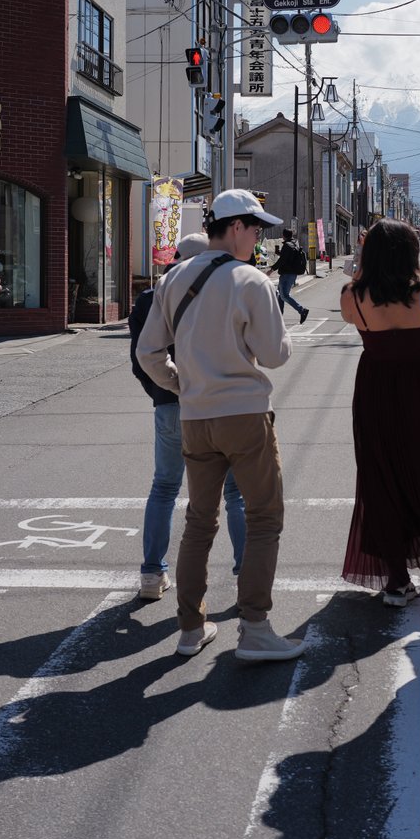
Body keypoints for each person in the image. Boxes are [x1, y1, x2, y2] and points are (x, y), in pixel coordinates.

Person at [136, 189, 303, 662]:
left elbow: (148, 353)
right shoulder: (251, 280)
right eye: (255, 228)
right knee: (264, 517)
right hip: (245, 415)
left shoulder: (173, 279)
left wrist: (181, 383)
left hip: (194, 417)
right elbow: (274, 355)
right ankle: (254, 628)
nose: (259, 237)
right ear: (234, 228)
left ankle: (190, 628)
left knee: (198, 523)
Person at [129, 233, 247, 600]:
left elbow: (141, 359)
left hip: (169, 401)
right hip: (218, 402)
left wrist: (168, 390)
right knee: (235, 493)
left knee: (164, 486)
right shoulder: (226, 291)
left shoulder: (152, 296)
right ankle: (246, 574)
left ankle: (152, 573)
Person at [338, 218, 420, 605]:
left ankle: (397, 580)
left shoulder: (353, 295)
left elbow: (352, 319)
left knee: (381, 474)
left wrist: (359, 269)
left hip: (376, 387)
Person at [270, 228, 310, 323]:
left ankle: (302, 310)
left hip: (287, 274)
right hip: (290, 274)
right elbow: (288, 257)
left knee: (284, 296)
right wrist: (279, 252)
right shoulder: (294, 244)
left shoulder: (287, 245)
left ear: (284, 235)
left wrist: (271, 269)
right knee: (280, 295)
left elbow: (282, 260)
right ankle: (279, 318)